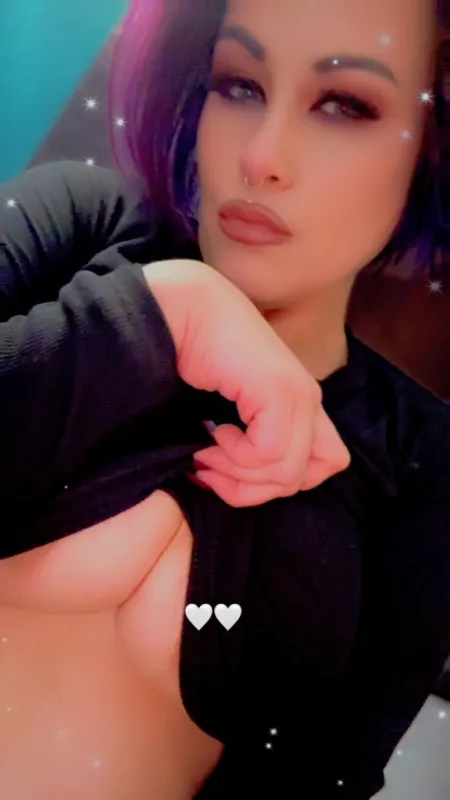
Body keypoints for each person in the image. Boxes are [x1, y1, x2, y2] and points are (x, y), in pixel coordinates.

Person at [1, 0, 450, 797]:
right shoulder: (80, 224)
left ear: (428, 151)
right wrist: (169, 313)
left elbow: (327, 777)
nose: (263, 156)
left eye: (345, 106)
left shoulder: (424, 463)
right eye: (239, 85)